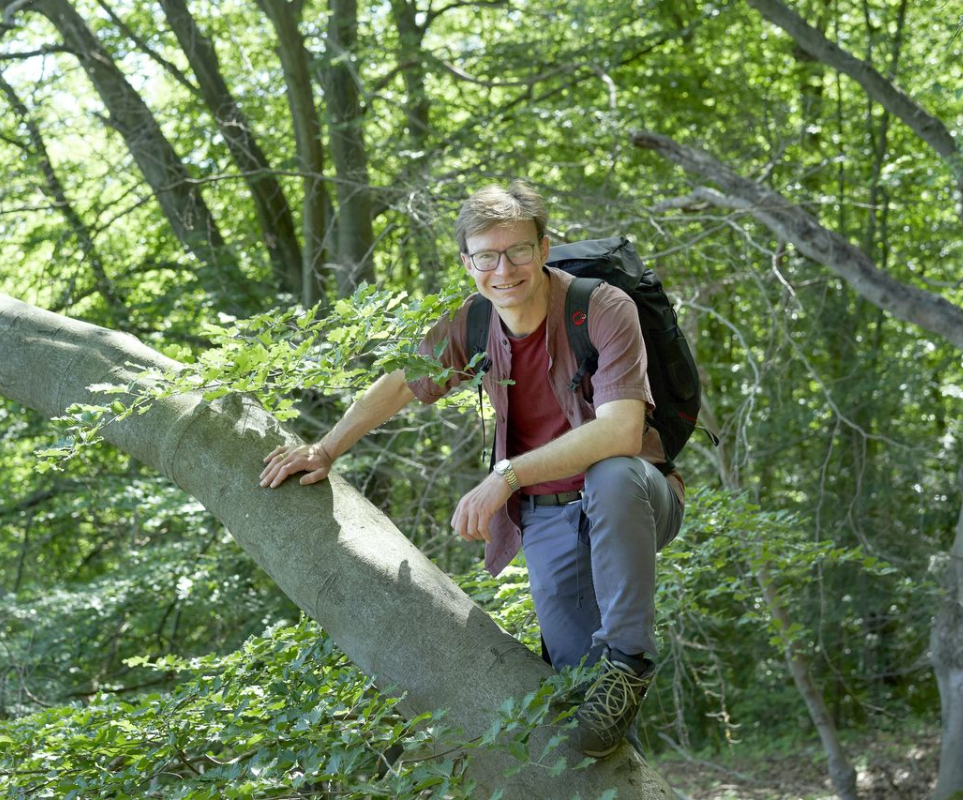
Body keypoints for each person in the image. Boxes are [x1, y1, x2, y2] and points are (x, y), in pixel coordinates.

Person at [258, 180, 684, 757]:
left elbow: (620, 432)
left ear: (543, 246)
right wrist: (326, 449)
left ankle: (630, 660)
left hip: (635, 498)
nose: (502, 269)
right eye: (486, 256)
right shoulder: (475, 323)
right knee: (589, 710)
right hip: (548, 518)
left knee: (611, 475)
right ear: (468, 263)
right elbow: (399, 384)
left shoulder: (600, 307)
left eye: (517, 251)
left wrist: (505, 475)